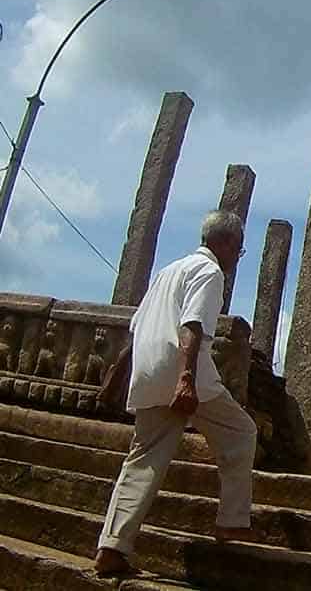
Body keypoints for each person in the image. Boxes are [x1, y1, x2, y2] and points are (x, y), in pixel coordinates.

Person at [94, 212, 257, 578]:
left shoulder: (167, 272)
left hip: (147, 371)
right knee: (241, 433)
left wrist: (113, 380)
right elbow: (192, 327)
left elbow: (135, 332)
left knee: (143, 460)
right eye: (239, 250)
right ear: (226, 243)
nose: (236, 259)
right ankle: (231, 521)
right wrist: (185, 379)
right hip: (184, 372)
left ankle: (112, 546)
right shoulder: (209, 272)